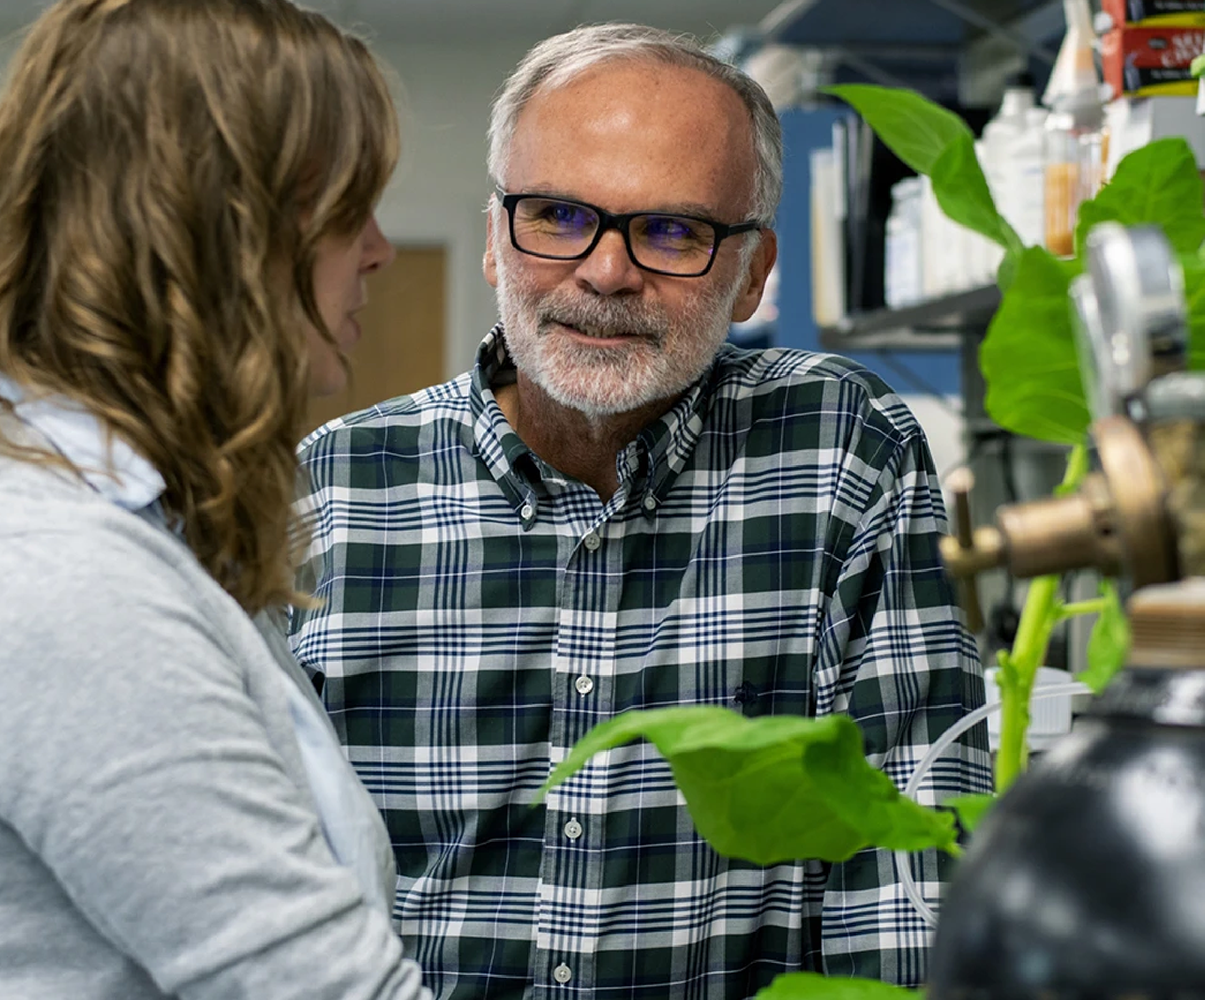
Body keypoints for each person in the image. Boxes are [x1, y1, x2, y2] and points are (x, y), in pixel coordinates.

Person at [289, 23, 990, 999]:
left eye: (672, 231)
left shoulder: (842, 451)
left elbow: (909, 852)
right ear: (497, 239)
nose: (608, 272)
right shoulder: (330, 492)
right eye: (560, 215)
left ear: (752, 274)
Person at [0, 2, 430, 998]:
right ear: (222, 231)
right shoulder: (55, 574)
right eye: (346, 209)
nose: (377, 249)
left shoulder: (116, 522)